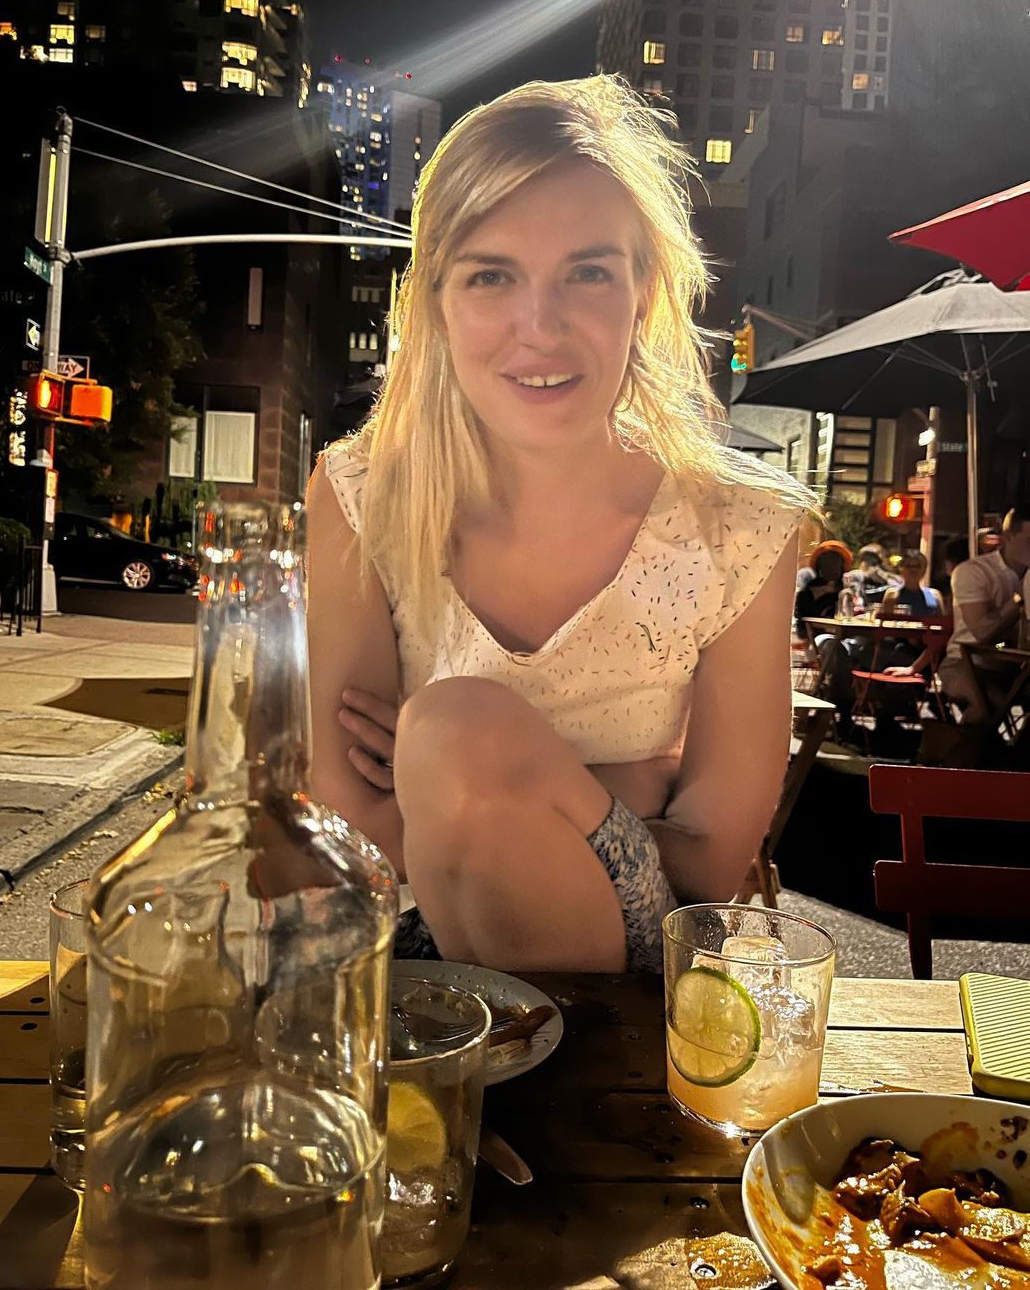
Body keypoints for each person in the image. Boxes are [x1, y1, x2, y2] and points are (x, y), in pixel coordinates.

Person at [304, 76, 813, 975]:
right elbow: (353, 832)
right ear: (436, 300)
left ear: (643, 293)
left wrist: (453, 775)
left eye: (587, 272)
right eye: (492, 275)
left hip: (632, 979)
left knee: (452, 732)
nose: (539, 327)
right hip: (422, 951)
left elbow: (709, 863)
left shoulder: (741, 526)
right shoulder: (360, 494)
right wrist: (626, 784)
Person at [937, 506, 1030, 721]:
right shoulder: (974, 572)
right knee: (986, 703)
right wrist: (1019, 598)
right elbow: (981, 631)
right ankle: (959, 743)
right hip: (965, 661)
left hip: (1015, 665)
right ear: (1008, 537)